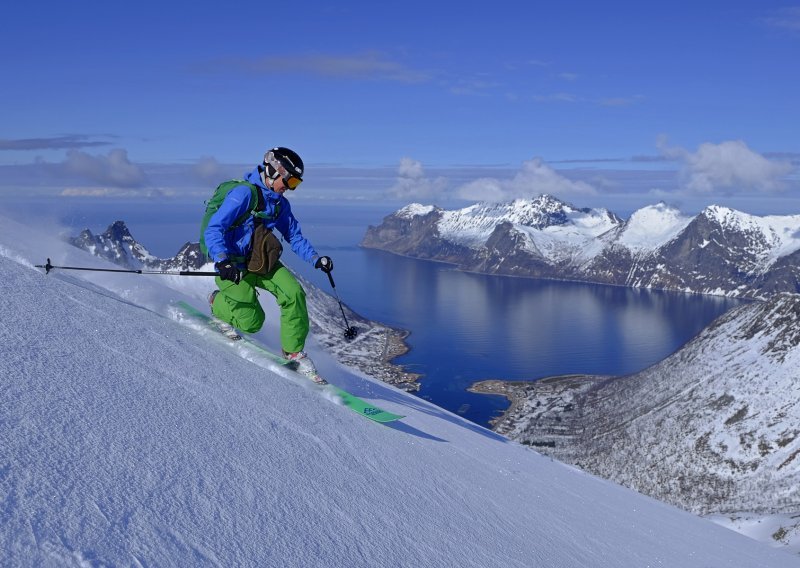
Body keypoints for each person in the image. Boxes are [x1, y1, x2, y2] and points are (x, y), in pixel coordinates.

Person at [203, 147, 333, 383]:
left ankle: (293, 352)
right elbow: (215, 228)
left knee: (294, 294)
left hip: (260, 261)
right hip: (233, 266)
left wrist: (316, 259)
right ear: (274, 171)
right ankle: (217, 302)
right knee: (252, 323)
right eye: (290, 180)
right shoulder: (243, 194)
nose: (290, 187)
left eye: (296, 183)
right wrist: (222, 260)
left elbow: (294, 235)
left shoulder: (280, 204)